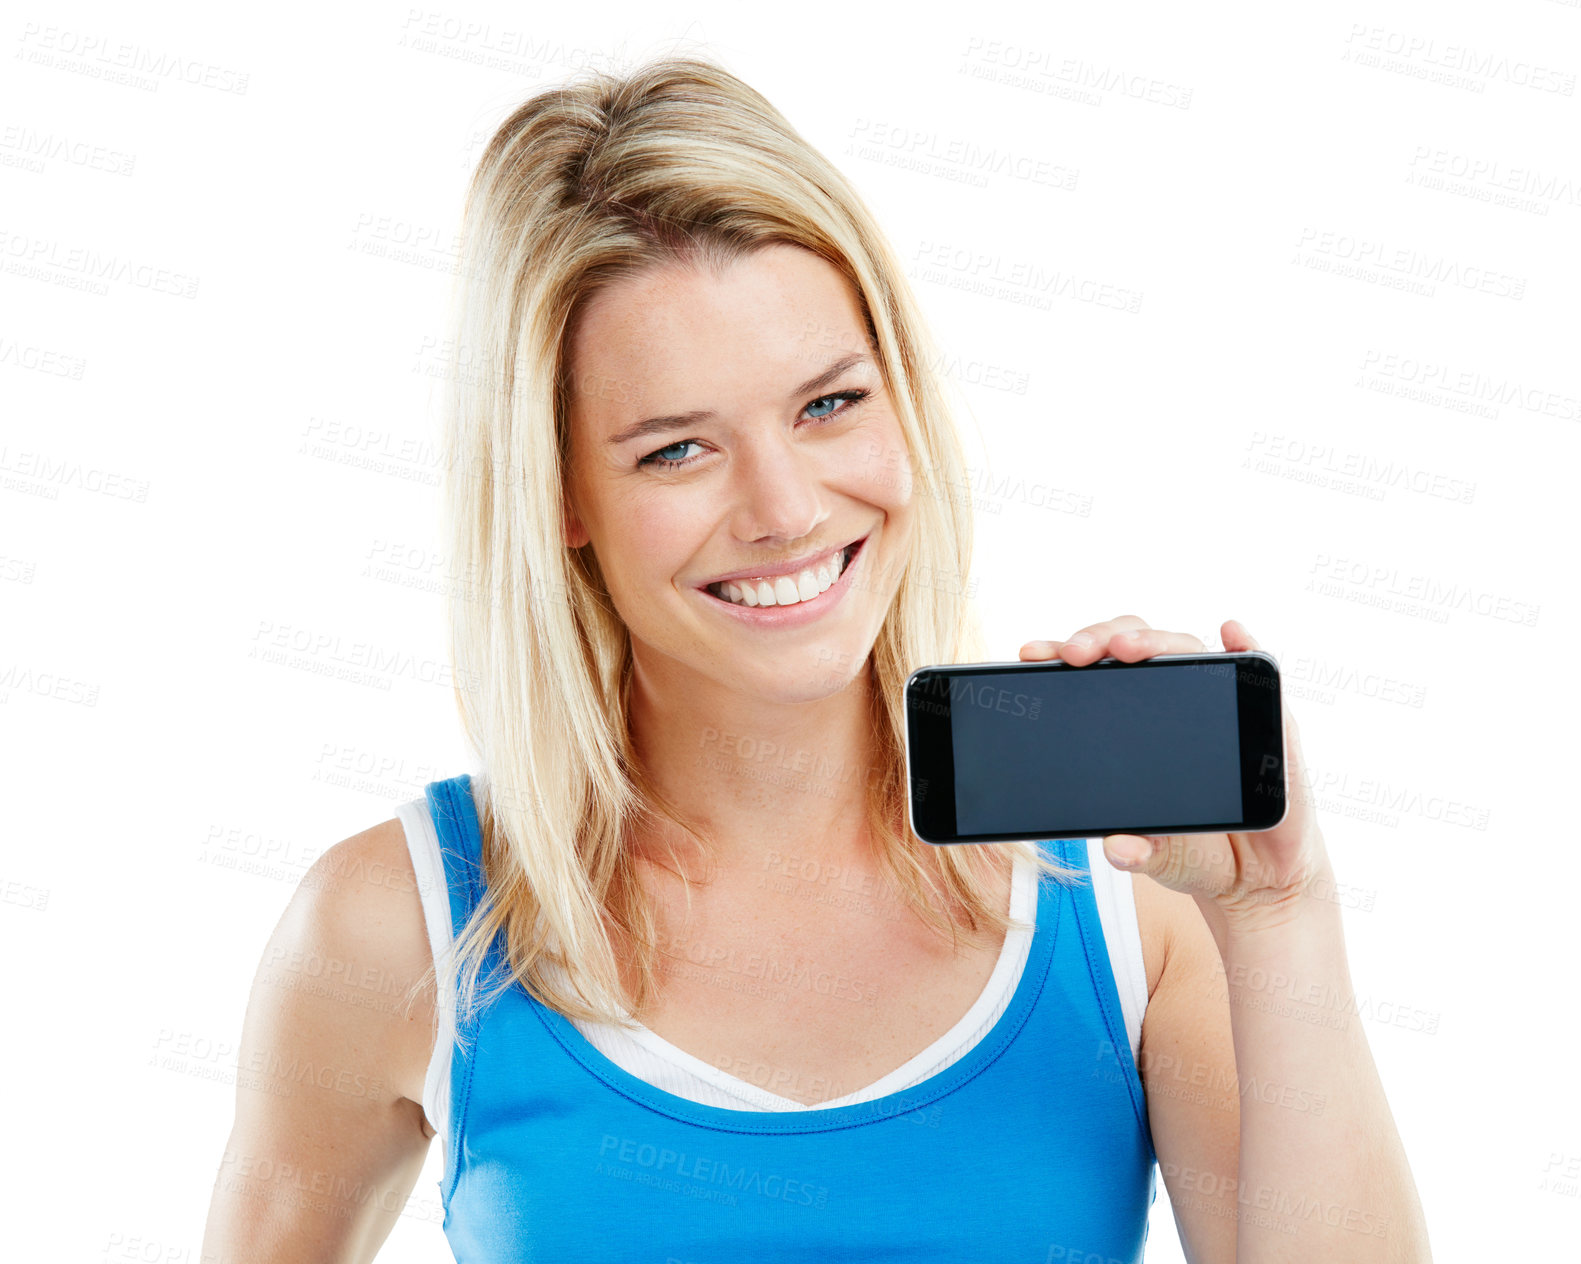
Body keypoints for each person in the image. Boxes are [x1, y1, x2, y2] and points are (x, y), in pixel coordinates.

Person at [201, 54, 1431, 1263]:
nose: (784, 507)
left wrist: (1281, 912)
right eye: (677, 449)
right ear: (557, 493)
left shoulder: (1134, 905)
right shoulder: (397, 931)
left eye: (830, 404)